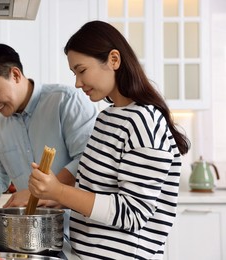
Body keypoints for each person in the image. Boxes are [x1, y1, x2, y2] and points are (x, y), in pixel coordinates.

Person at [28, 21, 191, 259]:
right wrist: (58, 198)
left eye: (81, 70)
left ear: (114, 60)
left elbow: (132, 213)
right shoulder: (107, 118)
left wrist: (59, 191)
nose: (77, 83)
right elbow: (98, 193)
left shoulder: (144, 121)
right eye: (74, 74)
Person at [0, 43, 98, 209]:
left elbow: (86, 159)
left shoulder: (65, 101)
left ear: (15, 75)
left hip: (76, 228)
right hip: (32, 230)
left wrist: (38, 193)